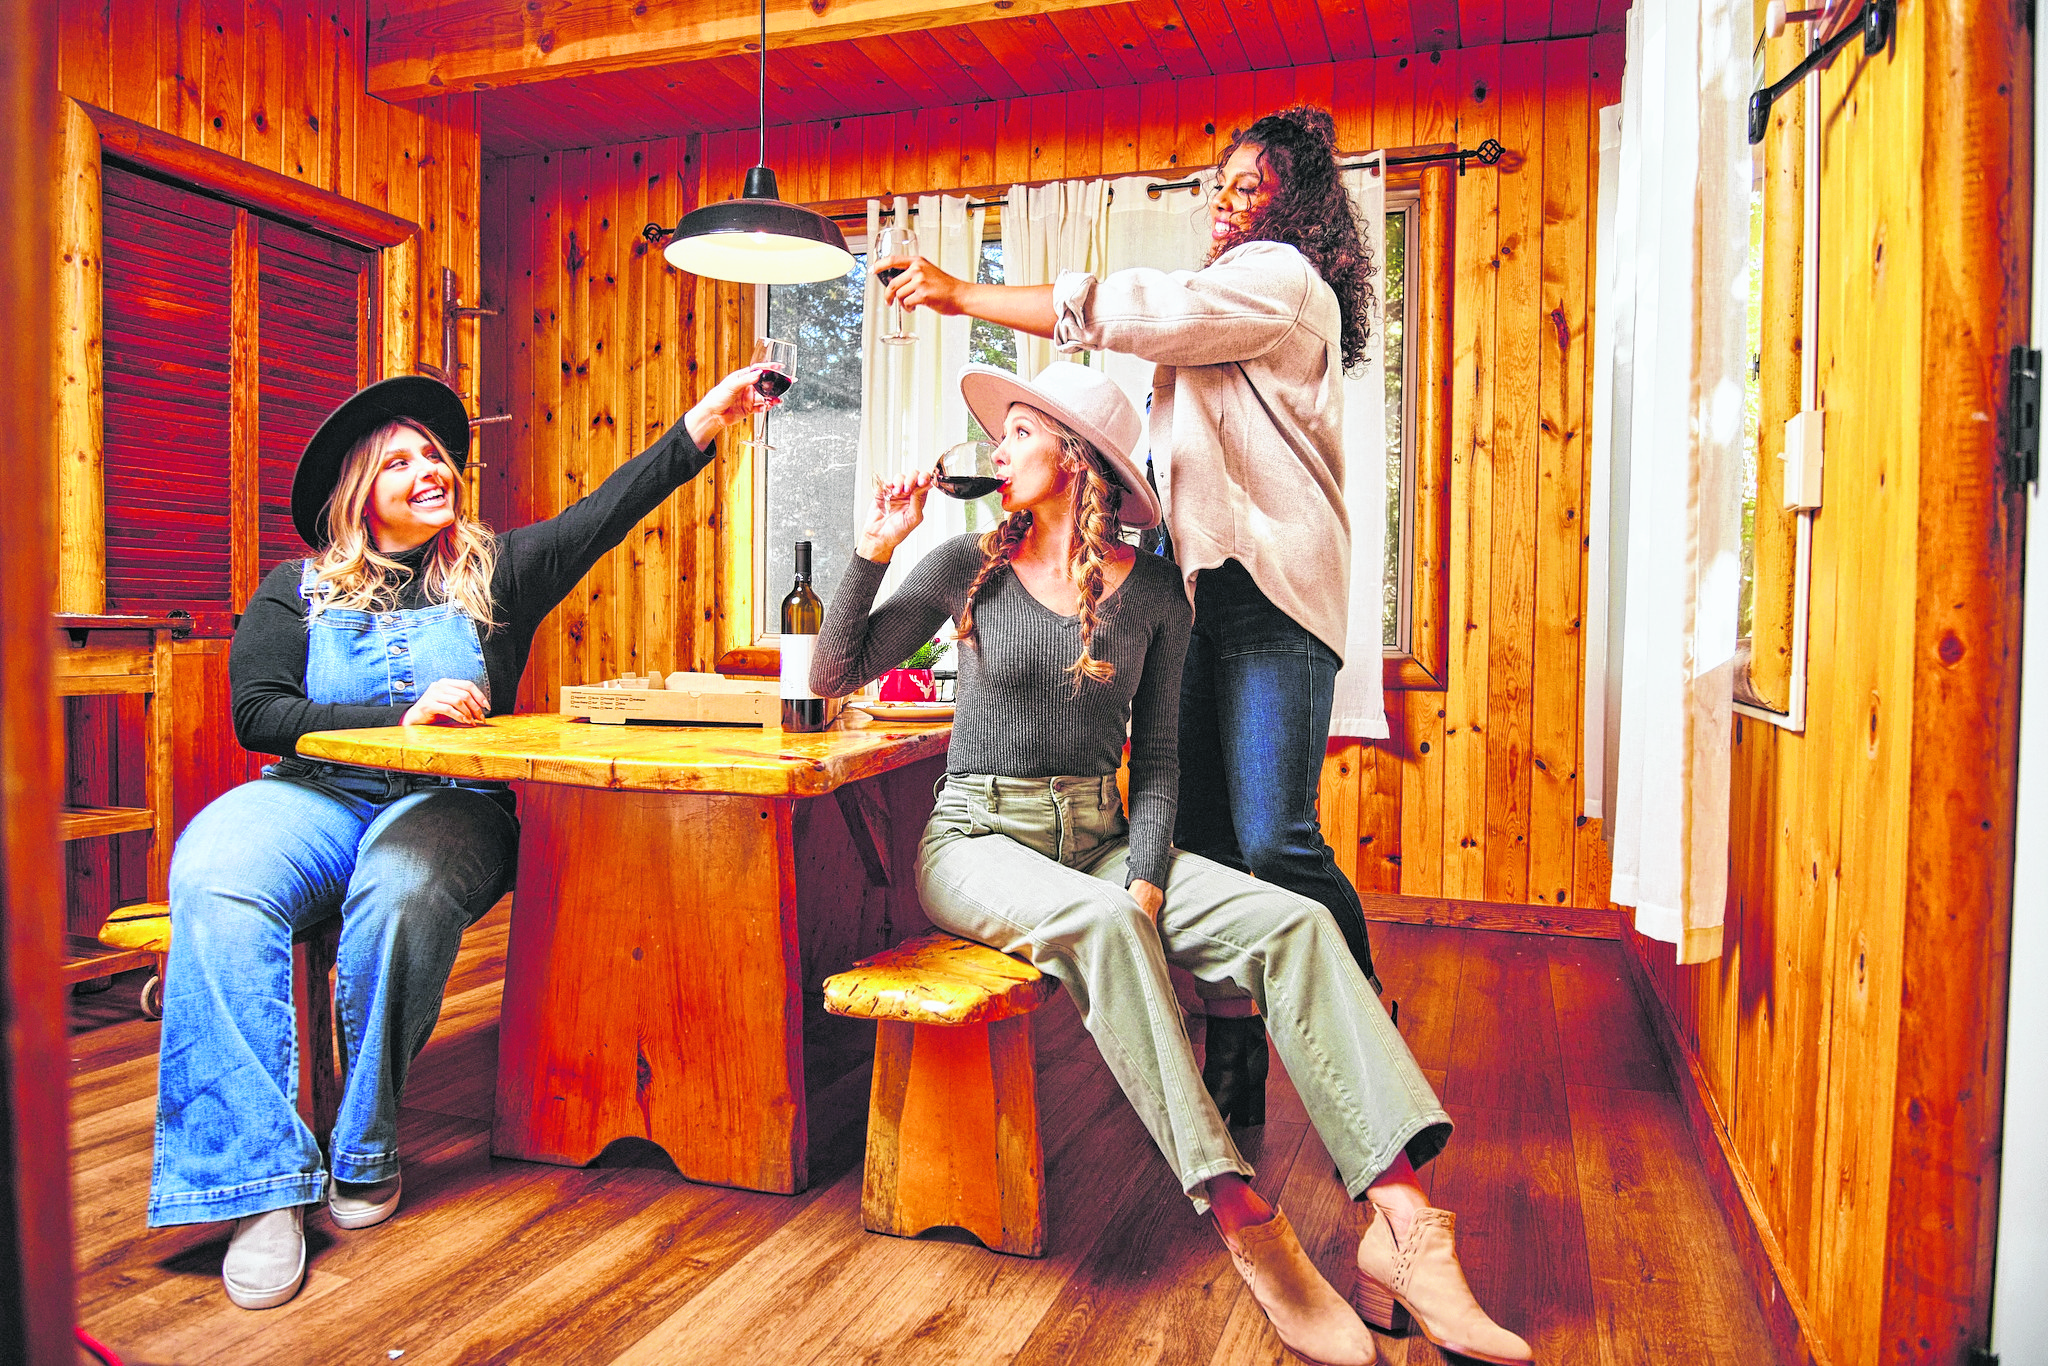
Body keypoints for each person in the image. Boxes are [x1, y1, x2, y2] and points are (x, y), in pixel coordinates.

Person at [811, 362, 1530, 1366]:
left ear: (1076, 458)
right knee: (1107, 921)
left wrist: (1146, 872)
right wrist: (871, 549)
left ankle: (1403, 1225)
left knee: (1293, 921)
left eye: (1019, 433)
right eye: (1002, 434)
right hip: (975, 839)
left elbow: (1156, 761)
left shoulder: (1152, 592)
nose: (998, 450)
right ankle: (1242, 1215)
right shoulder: (964, 564)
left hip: (1101, 838)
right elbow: (831, 672)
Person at [146, 366, 772, 1310]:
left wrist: (706, 419)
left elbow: (608, 509)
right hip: (316, 796)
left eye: (434, 454)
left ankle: (364, 1143)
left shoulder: (498, 574)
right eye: (400, 461)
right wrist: (398, 714)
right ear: (360, 493)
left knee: (399, 889)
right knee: (214, 873)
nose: (430, 469)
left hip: (452, 803)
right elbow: (259, 713)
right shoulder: (294, 590)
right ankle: (258, 1185)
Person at [880, 105, 1381, 1128]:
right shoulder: (1222, 317)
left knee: (1274, 838)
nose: (1225, 203)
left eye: (1250, 188)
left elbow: (1134, 308)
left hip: (1272, 599)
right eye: (1220, 185)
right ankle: (1233, 1051)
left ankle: (1361, 1029)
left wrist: (960, 293)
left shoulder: (1283, 281)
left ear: (1299, 208)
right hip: (1195, 588)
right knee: (1199, 829)